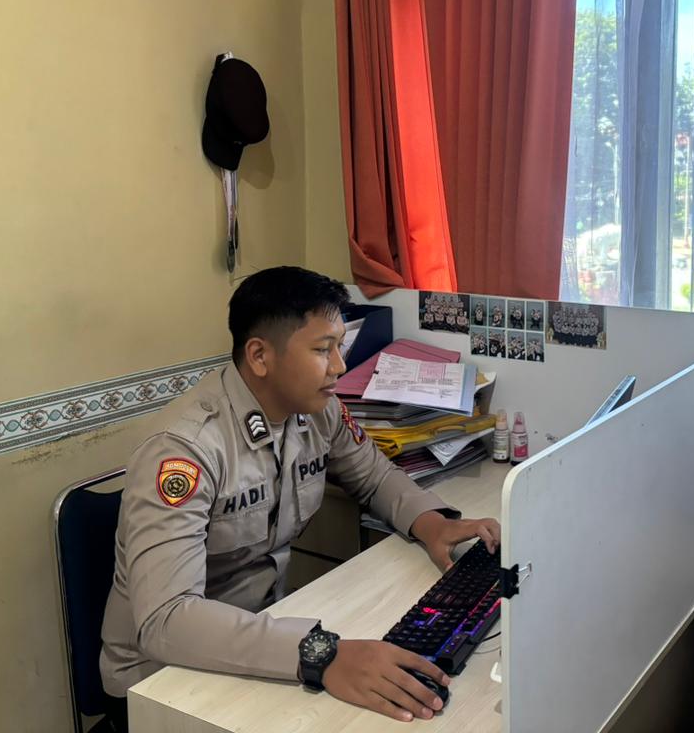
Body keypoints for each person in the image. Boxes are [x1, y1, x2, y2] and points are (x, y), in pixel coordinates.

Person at [99, 267, 500, 728]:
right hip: (161, 681)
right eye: (322, 350)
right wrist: (321, 654)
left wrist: (432, 524)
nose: (340, 366)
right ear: (260, 356)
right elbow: (167, 621)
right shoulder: (185, 451)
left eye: (340, 346)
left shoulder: (316, 410)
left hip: (262, 640)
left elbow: (373, 475)